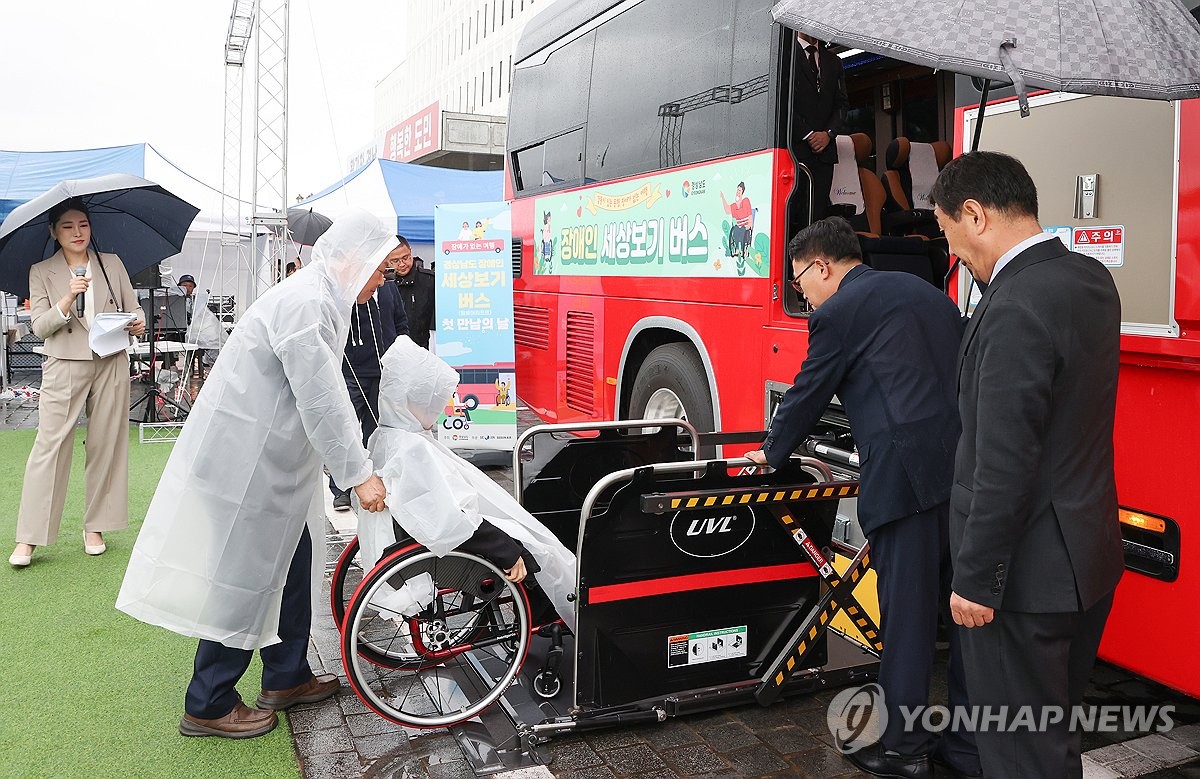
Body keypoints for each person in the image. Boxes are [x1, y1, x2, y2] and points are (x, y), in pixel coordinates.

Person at [116, 209, 393, 739]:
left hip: (264, 462)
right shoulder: (308, 303)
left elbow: (324, 394)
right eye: (381, 270)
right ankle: (208, 702)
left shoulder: (317, 297)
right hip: (243, 465)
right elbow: (322, 399)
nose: (382, 283)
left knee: (293, 560)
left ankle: (285, 675)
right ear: (356, 261)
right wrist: (357, 473)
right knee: (243, 579)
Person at [745, 217, 977, 779]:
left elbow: (808, 391)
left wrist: (771, 453)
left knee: (908, 617)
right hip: (967, 470)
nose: (804, 294)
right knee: (967, 615)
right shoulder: (924, 291)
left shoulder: (838, 313)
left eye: (801, 282)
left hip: (905, 481)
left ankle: (904, 750)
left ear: (822, 266)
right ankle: (967, 748)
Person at [930, 151, 1123, 778]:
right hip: (1085, 561)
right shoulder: (1090, 280)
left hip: (1020, 580)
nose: (955, 255)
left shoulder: (1012, 306)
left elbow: (1004, 461)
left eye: (951, 236)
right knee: (1051, 738)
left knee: (1018, 753)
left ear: (975, 214)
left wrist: (976, 578)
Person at [356, 336, 576, 632]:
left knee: (532, 536)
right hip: (448, 546)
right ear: (416, 399)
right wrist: (507, 551)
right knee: (538, 552)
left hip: (421, 538)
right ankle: (542, 626)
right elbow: (449, 522)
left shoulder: (388, 435)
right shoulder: (413, 449)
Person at [10, 198, 147, 568]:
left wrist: (138, 321)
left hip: (111, 360)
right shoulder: (41, 271)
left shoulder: (111, 263)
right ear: (54, 231)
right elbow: (38, 326)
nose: (77, 233)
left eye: (83, 225)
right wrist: (69, 296)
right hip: (63, 363)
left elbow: (133, 307)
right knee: (49, 446)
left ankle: (96, 527)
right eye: (68, 226)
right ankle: (29, 537)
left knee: (106, 444)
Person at [328, 241, 411, 511]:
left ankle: (376, 478)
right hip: (352, 370)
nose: (388, 272)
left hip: (385, 370)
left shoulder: (389, 291)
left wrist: (402, 350)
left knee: (378, 428)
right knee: (349, 428)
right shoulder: (348, 292)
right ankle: (341, 488)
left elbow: (400, 323)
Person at [792, 33, 848, 222]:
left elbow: (842, 105)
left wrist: (828, 134)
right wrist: (807, 134)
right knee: (795, 214)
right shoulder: (787, 56)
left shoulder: (834, 62)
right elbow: (783, 103)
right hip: (796, 151)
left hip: (825, 153)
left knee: (817, 214)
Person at [391, 235, 435, 349]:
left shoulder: (429, 281)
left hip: (422, 350)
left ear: (411, 251)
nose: (401, 264)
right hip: (393, 350)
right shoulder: (383, 284)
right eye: (395, 261)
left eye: (405, 257)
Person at [720, 182, 754, 257]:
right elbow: (727, 210)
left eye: (739, 190)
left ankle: (741, 250)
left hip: (746, 227)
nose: (737, 192)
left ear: (742, 192)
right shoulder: (734, 206)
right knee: (735, 229)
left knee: (742, 229)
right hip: (738, 227)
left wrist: (749, 224)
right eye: (737, 190)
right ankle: (737, 249)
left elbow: (750, 215)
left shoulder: (746, 201)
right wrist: (723, 198)